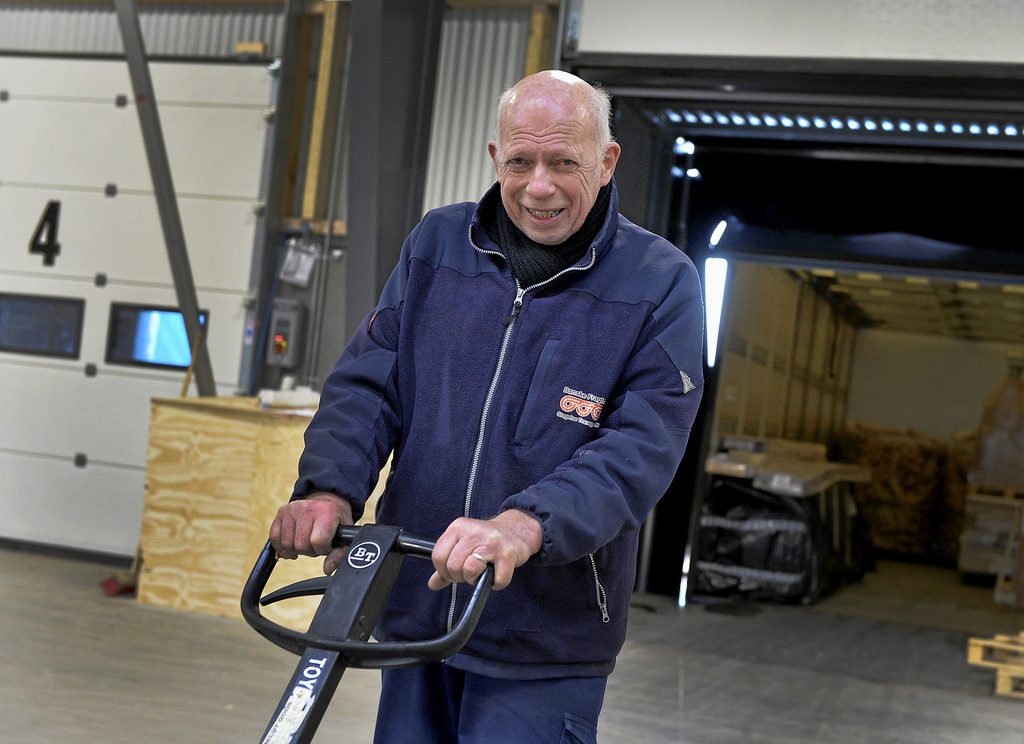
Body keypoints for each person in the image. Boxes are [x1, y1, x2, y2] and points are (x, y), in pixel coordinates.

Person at [269, 69, 704, 743]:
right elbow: (372, 383)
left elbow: (639, 449)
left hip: (544, 636)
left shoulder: (661, 281)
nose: (539, 187)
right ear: (496, 156)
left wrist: (527, 525)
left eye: (564, 163)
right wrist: (329, 488)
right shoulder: (438, 246)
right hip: (417, 609)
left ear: (607, 161)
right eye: (521, 162)